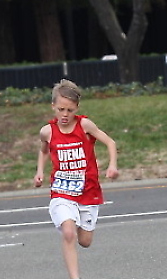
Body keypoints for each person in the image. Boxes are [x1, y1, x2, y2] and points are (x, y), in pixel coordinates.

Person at [34, 79, 119, 279]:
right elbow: (44, 151)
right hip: (62, 191)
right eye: (61, 109)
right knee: (68, 233)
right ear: (53, 106)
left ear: (77, 109)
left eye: (70, 110)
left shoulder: (85, 125)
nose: (65, 114)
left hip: (88, 190)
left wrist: (113, 165)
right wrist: (39, 172)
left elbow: (110, 142)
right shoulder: (47, 132)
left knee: (85, 241)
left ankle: (79, 221)